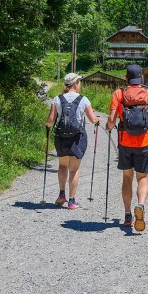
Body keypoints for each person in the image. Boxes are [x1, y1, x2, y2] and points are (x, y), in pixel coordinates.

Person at [106, 64, 148, 231]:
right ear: (141, 78)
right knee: (142, 178)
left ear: (126, 78)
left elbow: (111, 120)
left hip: (125, 142)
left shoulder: (119, 93)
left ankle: (127, 214)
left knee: (127, 178)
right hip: (144, 142)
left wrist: (109, 127)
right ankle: (141, 205)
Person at [45, 72, 101, 209]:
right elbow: (92, 120)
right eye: (79, 82)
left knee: (63, 166)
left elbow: (50, 121)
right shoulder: (83, 99)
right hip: (77, 138)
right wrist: (98, 120)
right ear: (76, 84)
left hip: (61, 137)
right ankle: (71, 201)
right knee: (74, 170)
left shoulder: (57, 99)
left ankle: (61, 194)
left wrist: (47, 127)